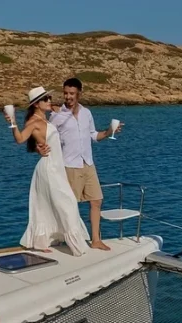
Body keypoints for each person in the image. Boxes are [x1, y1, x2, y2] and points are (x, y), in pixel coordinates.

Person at [37, 77, 123, 251]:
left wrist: (108, 132)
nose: (68, 97)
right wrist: (40, 147)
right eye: (66, 93)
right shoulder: (56, 116)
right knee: (69, 206)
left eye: (72, 93)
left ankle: (96, 240)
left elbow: (93, 135)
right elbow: (45, 137)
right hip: (69, 166)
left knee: (96, 201)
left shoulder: (87, 113)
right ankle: (66, 240)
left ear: (79, 94)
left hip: (88, 163)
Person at [3, 86, 90, 257]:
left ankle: (44, 241)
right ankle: (74, 246)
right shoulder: (34, 122)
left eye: (49, 98)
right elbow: (20, 139)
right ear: (36, 104)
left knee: (50, 204)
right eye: (45, 99)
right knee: (68, 204)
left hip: (57, 168)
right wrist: (12, 122)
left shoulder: (46, 118)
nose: (49, 101)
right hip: (49, 168)